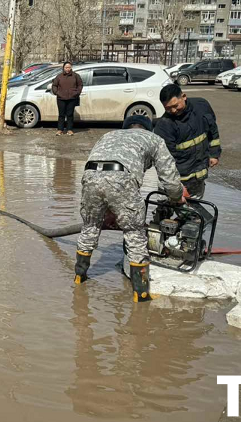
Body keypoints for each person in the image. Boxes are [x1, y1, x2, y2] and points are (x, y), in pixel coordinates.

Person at [75, 115, 187, 301]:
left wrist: (109, 206)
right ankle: (141, 293)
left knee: (90, 227)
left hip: (90, 176)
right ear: (147, 128)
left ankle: (80, 276)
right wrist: (177, 199)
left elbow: (100, 173)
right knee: (135, 233)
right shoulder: (154, 139)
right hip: (122, 177)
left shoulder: (109, 135)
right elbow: (169, 176)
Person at [154, 84, 221, 199]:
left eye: (175, 105)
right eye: (168, 108)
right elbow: (165, 161)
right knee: (165, 206)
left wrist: (214, 154)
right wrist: (175, 187)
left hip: (198, 176)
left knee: (193, 212)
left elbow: (212, 131)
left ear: (184, 96)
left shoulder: (201, 106)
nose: (173, 111)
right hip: (177, 179)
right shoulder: (164, 126)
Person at [51, 62, 83, 136]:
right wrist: (57, 92)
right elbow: (54, 85)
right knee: (61, 114)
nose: (68, 69)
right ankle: (60, 129)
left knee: (70, 114)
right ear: (63, 68)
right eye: (66, 67)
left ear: (71, 68)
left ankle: (70, 129)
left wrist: (77, 92)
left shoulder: (75, 76)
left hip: (72, 98)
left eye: (69, 67)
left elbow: (80, 85)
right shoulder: (59, 76)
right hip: (61, 98)